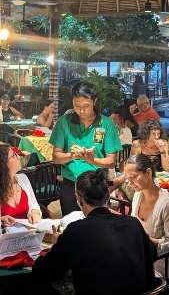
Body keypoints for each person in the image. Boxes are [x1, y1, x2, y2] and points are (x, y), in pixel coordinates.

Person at [32, 169, 157, 295]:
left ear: (78, 199)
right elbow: (152, 253)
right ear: (107, 196)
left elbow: (44, 272)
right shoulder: (132, 223)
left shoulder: (76, 231)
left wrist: (55, 246)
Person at [50, 81, 121, 214]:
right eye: (77, 106)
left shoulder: (106, 124)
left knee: (98, 228)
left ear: (94, 101)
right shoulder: (64, 122)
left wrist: (92, 160)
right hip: (71, 185)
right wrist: (71, 155)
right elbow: (56, 158)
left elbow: (111, 162)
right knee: (71, 227)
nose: (81, 110)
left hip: (97, 186)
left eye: (86, 106)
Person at [124, 154, 169, 273]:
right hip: (141, 256)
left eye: (133, 177)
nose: (129, 182)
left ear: (148, 173)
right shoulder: (138, 195)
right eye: (127, 178)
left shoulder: (167, 205)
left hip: (161, 261)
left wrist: (153, 242)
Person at [0, 144, 42, 226]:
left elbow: (34, 205)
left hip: (26, 235)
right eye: (14, 155)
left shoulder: (23, 178)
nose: (19, 157)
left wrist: (35, 212)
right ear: (4, 164)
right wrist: (0, 221)